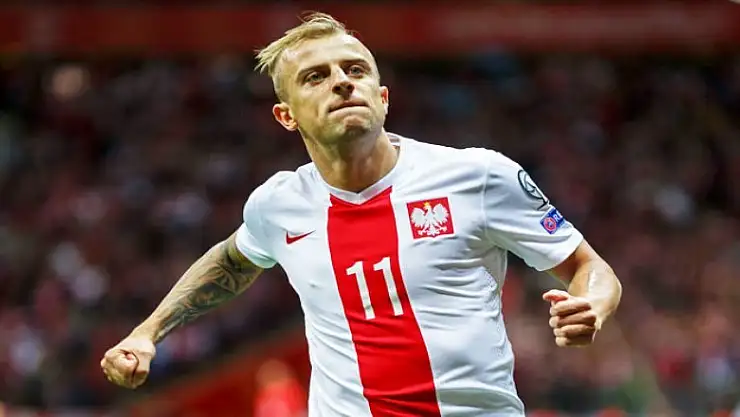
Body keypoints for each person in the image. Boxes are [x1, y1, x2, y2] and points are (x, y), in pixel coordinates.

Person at [100, 12, 622, 416]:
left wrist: (591, 305)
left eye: (355, 70)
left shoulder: (478, 176)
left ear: (383, 97)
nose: (342, 82)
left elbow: (588, 266)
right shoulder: (278, 204)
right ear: (286, 115)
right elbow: (233, 260)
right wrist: (148, 332)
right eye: (316, 76)